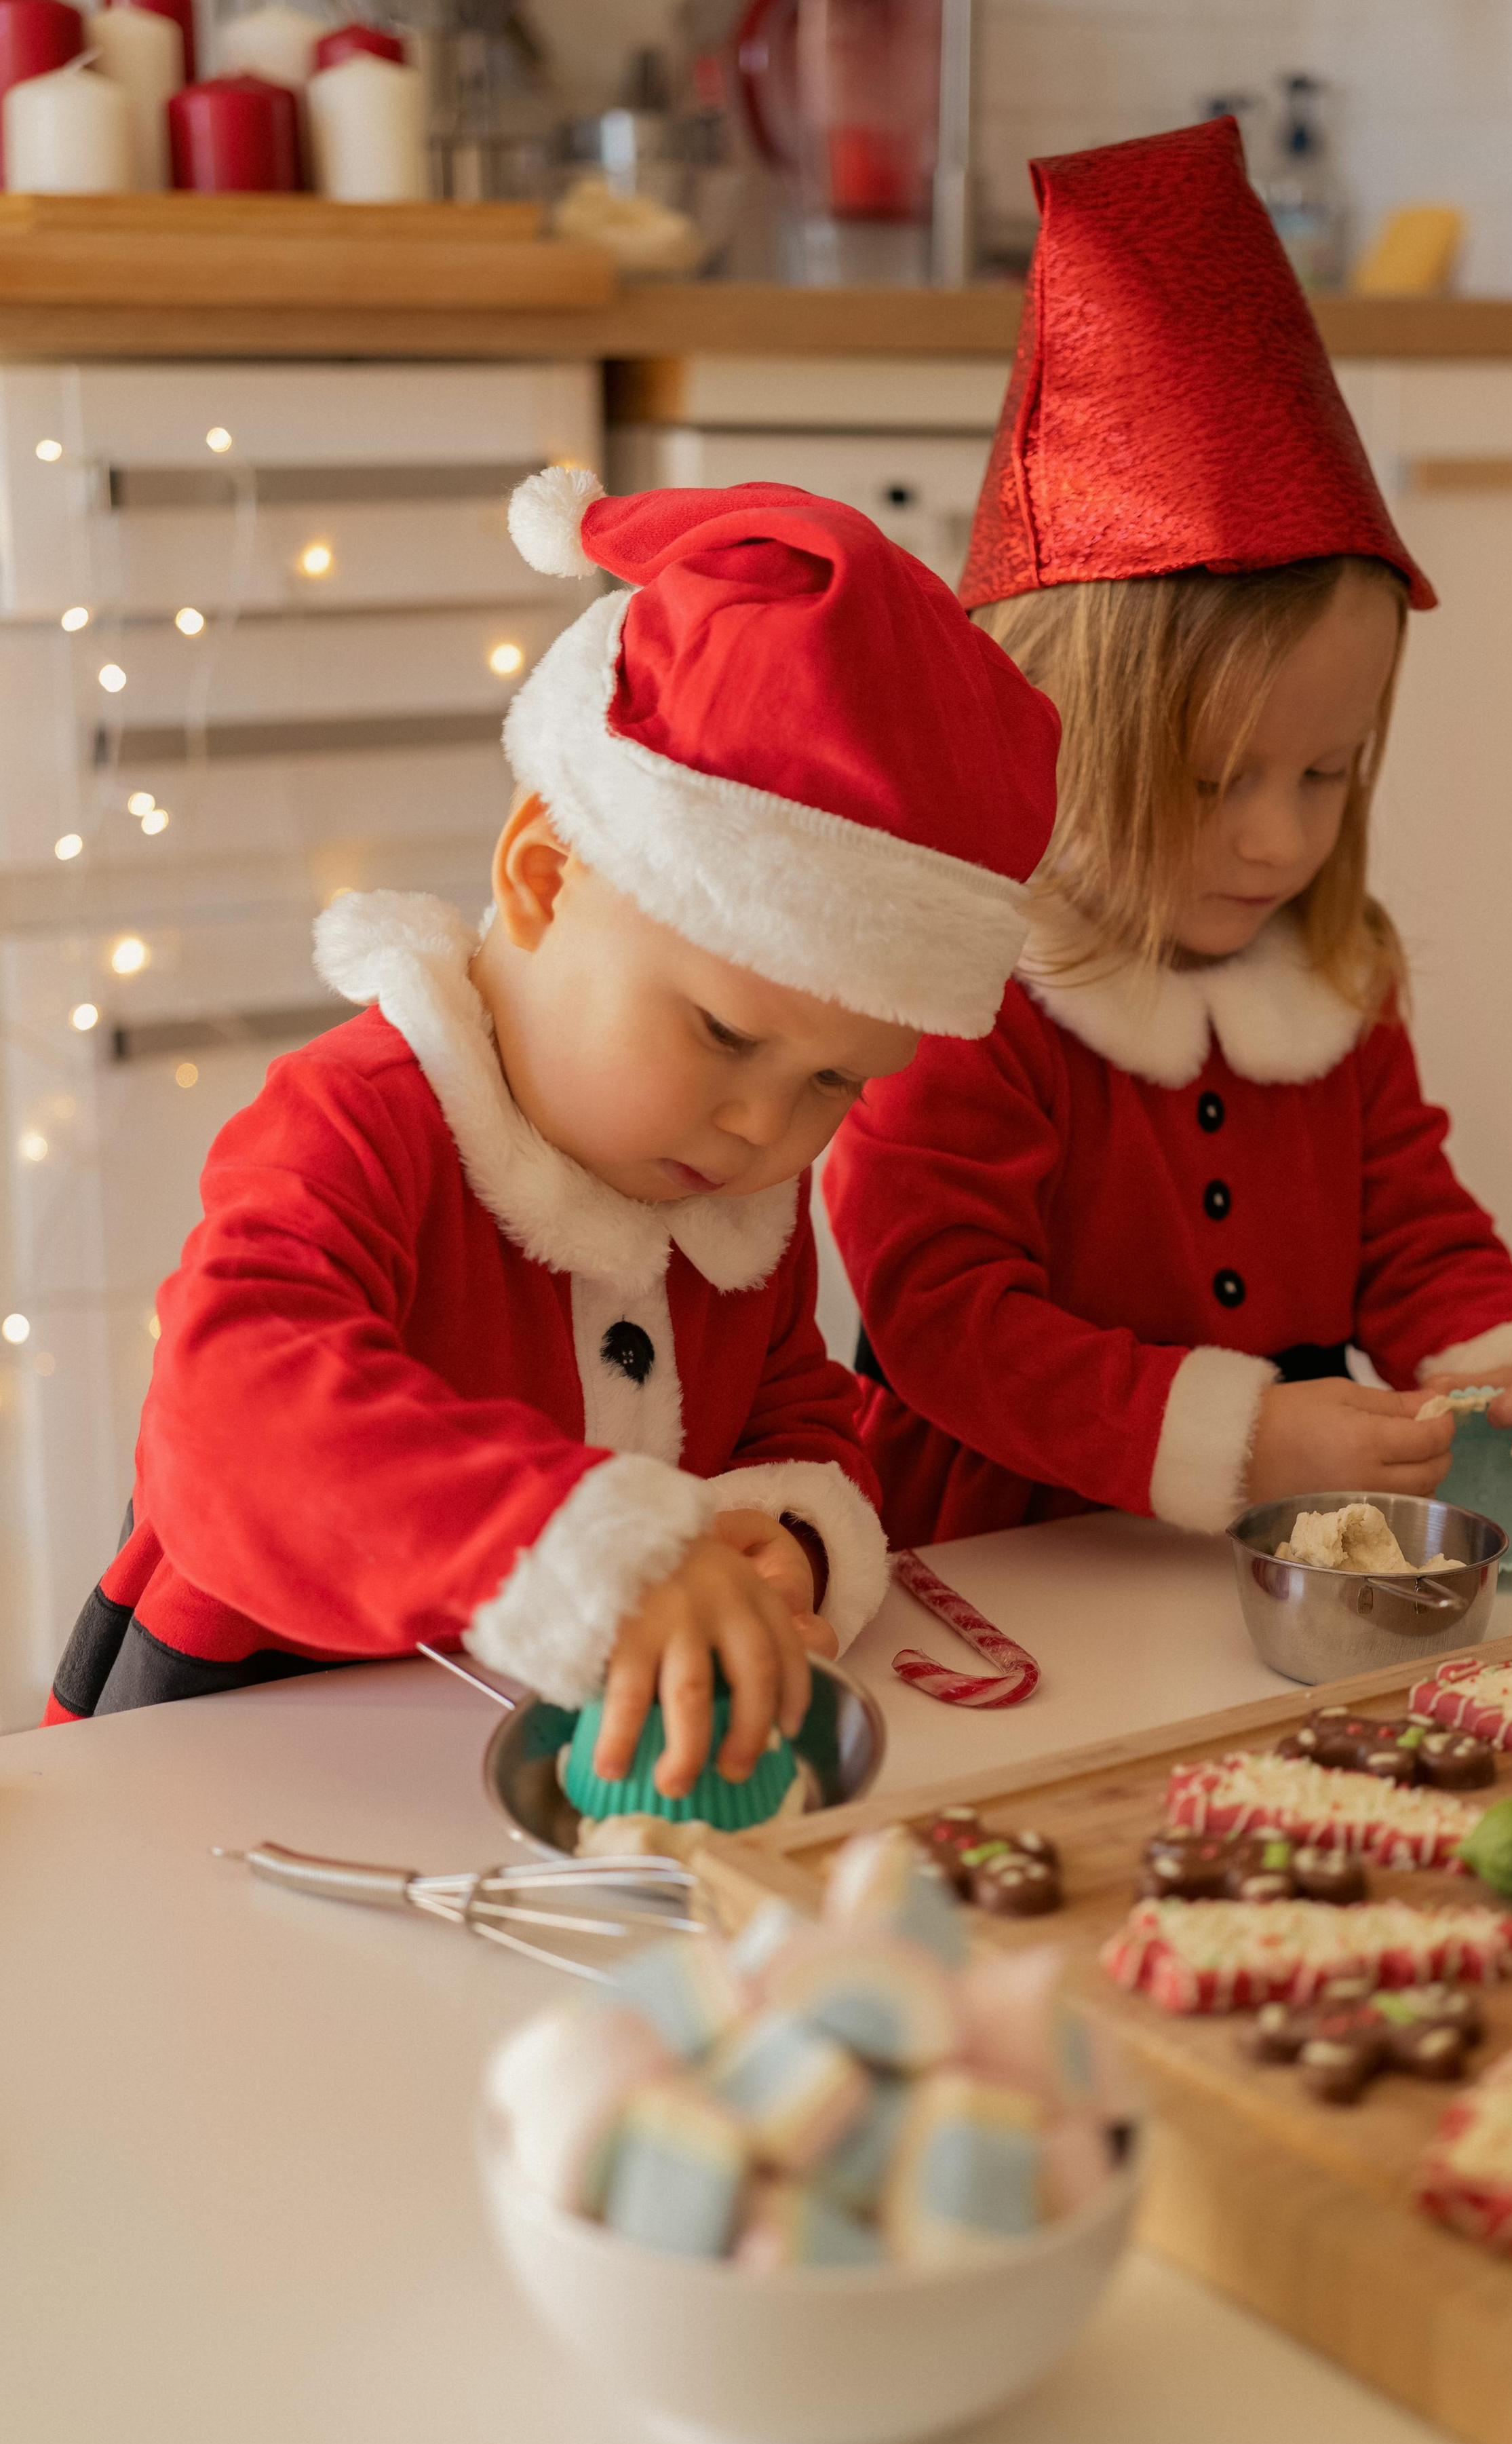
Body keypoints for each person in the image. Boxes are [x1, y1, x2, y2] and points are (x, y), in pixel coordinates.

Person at [47, 477, 1057, 1791]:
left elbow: (794, 1407)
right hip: (255, 1753)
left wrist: (786, 1536)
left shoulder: (720, 1181)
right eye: (721, 1033)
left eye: (832, 1084)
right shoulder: (362, 1122)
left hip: (568, 1772)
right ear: (541, 876)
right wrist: (579, 1548)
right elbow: (230, 1421)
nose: (765, 1126)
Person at [826, 119, 1512, 1552]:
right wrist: (1237, 1439)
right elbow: (940, 1313)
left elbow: (1413, 1232)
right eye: (1205, 784)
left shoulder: (1333, 973)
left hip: (1285, 1536)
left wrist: (1507, 1362)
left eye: (1325, 774)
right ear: (1045, 727)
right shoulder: (965, 990)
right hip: (1011, 1552)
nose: (1273, 844)